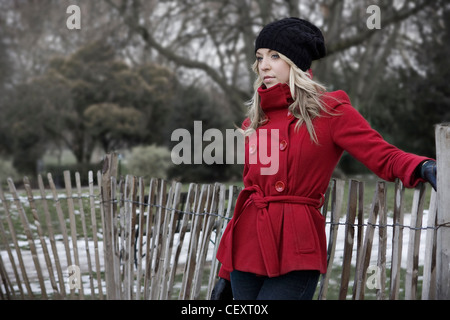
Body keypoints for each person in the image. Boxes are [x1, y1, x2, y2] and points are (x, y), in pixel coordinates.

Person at [211, 17, 437, 300]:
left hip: (296, 247)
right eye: (259, 57)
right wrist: (225, 273)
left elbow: (382, 154)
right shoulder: (255, 123)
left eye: (274, 56)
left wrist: (423, 166)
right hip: (247, 249)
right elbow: (249, 194)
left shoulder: (330, 112)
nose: (263, 65)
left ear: (296, 63)